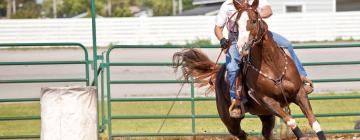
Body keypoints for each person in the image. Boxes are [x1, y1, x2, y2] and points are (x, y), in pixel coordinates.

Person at [214, 0, 313, 117]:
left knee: (287, 44)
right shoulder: (227, 6)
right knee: (232, 67)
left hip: (258, 33)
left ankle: (302, 79)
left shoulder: (254, 1)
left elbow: (268, 10)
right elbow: (218, 28)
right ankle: (236, 100)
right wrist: (222, 39)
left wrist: (254, 15)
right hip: (237, 38)